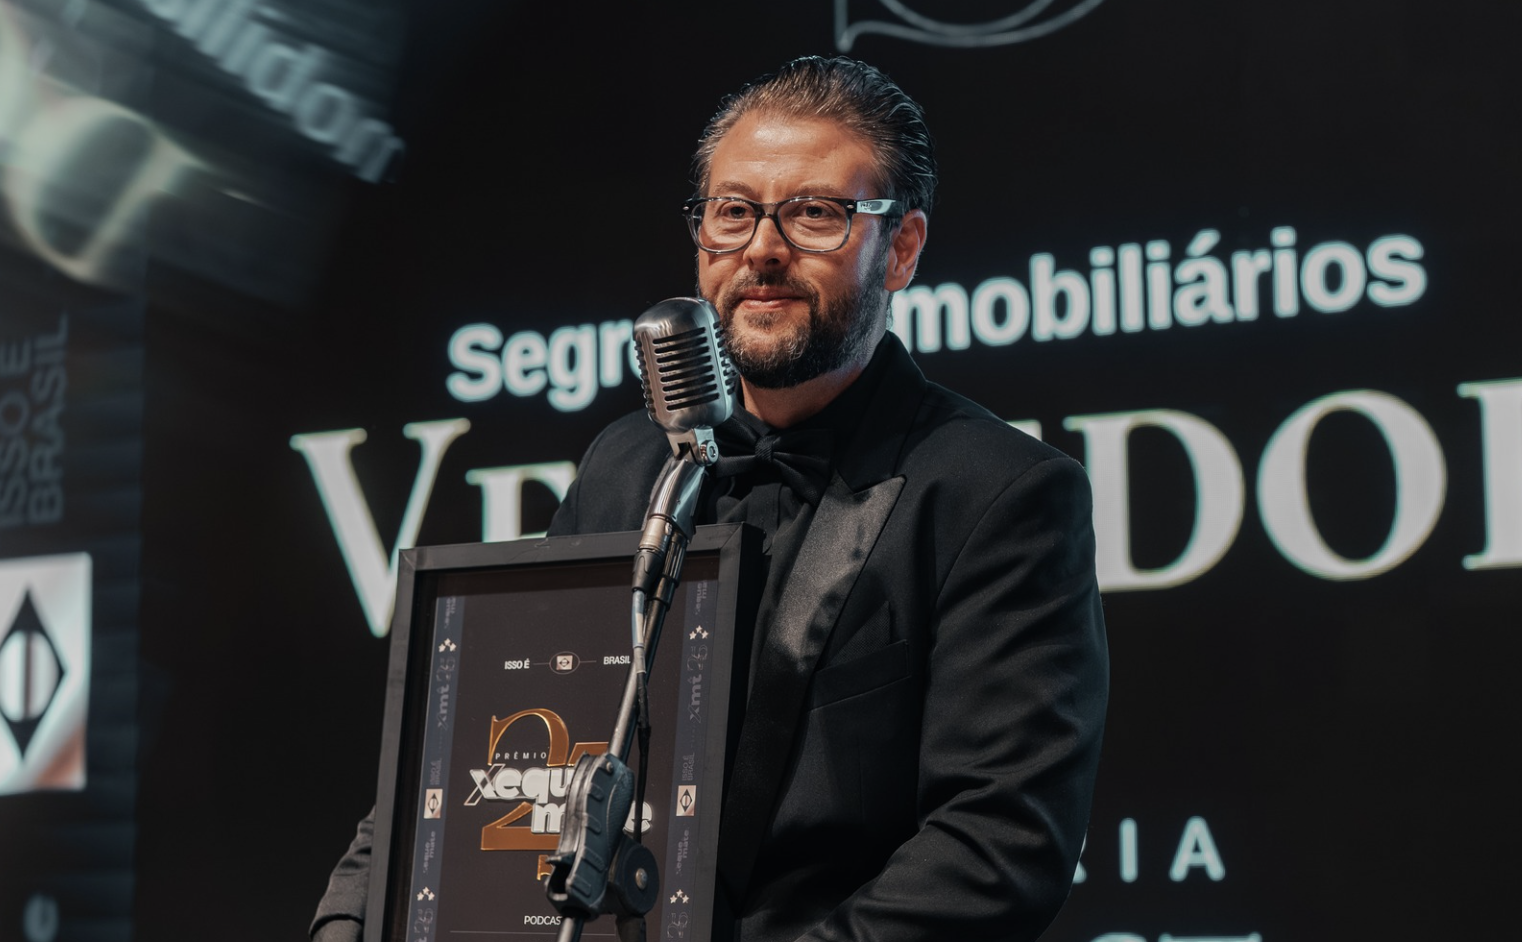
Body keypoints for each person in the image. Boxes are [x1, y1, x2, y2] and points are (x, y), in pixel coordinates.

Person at [313, 55, 1108, 942]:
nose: (762, 248)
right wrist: (349, 918)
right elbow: (477, 734)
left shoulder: (997, 493)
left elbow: (997, 844)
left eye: (815, 213)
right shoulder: (625, 464)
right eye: (733, 212)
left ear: (901, 249)